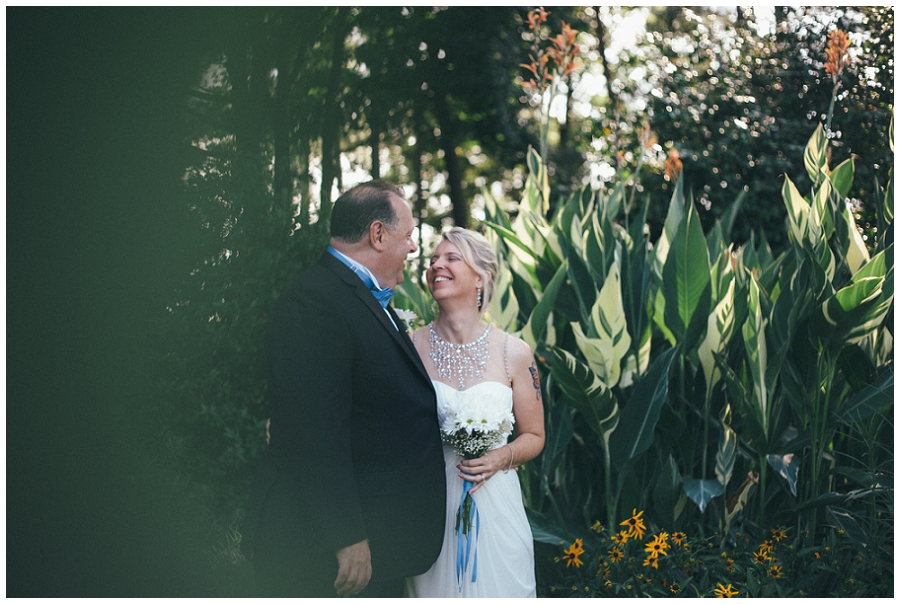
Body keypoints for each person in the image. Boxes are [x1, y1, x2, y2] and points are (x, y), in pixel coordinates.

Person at [242, 180, 447, 597]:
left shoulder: (361, 298)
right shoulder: (315, 304)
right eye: (408, 236)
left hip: (380, 530)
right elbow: (314, 432)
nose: (412, 248)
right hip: (328, 547)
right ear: (377, 234)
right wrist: (346, 536)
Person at [406, 227, 545, 598]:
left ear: (480, 277)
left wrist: (500, 457)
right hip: (431, 508)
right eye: (433, 259)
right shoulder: (408, 347)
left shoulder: (513, 352)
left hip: (496, 504)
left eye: (451, 258)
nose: (437, 265)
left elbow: (535, 436)